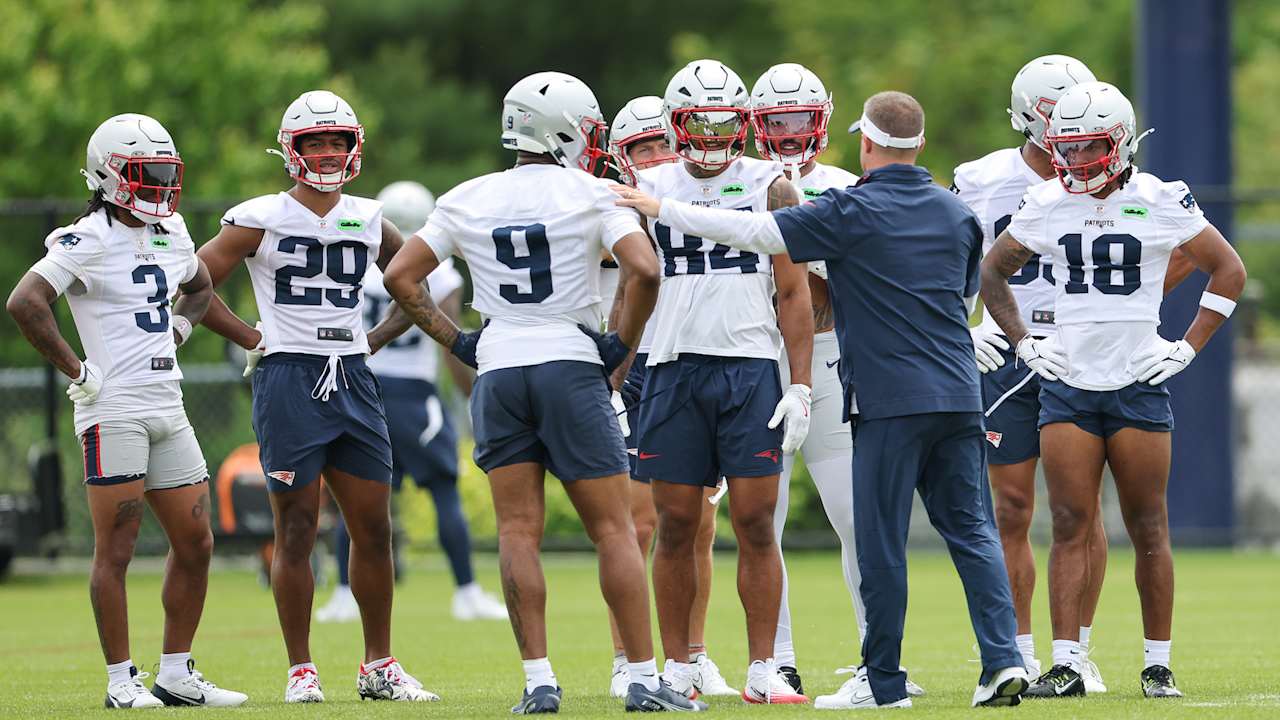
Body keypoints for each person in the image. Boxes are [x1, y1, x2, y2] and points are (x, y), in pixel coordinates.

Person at [615, 90, 1030, 709]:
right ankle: (1002, 662)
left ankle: (882, 681)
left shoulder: (850, 208)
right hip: (958, 390)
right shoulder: (955, 212)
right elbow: (969, 289)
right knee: (973, 531)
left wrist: (661, 206)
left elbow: (755, 229)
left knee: (880, 538)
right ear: (918, 144)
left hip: (888, 396)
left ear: (865, 142)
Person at [383, 71, 703, 713]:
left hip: (499, 367)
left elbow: (401, 275)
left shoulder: (466, 196)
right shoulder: (593, 192)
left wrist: (460, 341)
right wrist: (620, 341)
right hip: (569, 362)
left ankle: (538, 683)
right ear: (563, 129)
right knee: (613, 529)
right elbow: (644, 268)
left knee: (517, 531)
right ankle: (642, 679)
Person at [980, 81, 1245, 699]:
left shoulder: (1160, 198)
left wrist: (1188, 345)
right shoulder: (1046, 201)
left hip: (1136, 381)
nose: (1074, 162)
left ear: (1121, 141)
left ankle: (1157, 664)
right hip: (1068, 382)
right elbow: (994, 270)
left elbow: (1228, 267)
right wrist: (1021, 341)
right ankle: (1067, 662)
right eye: (1065, 149)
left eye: (1088, 147)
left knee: (1149, 524)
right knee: (1069, 520)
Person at [196, 90, 437, 703]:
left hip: (352, 376)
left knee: (373, 530)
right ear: (291, 149)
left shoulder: (368, 214)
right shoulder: (260, 215)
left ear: (354, 147)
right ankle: (301, 669)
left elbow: (414, 282)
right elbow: (192, 281)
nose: (327, 152)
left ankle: (377, 665)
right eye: (314, 142)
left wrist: (375, 338)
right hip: (288, 378)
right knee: (296, 527)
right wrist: (253, 336)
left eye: (337, 141)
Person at [5, 114, 247, 708]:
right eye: (147, 174)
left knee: (196, 541)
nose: (162, 186)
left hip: (170, 402)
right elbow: (26, 301)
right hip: (112, 408)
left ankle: (176, 674)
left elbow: (199, 284)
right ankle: (120, 681)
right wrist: (79, 370)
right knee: (117, 547)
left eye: (166, 173)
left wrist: (186, 326)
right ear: (109, 175)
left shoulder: (174, 231)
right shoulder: (85, 237)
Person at [631, 58, 815, 705]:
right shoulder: (646, 180)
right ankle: (679, 665)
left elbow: (793, 293)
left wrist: (800, 384)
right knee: (675, 523)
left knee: (756, 520)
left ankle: (765, 666)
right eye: (698, 125)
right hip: (673, 367)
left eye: (722, 125)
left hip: (748, 370)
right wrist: (616, 368)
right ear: (676, 126)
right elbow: (632, 281)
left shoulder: (771, 183)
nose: (710, 139)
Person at [749, 62, 925, 706]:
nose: (790, 134)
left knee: (860, 519)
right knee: (756, 520)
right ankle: (779, 662)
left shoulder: (852, 188)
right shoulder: (740, 182)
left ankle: (874, 661)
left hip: (830, 358)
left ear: (823, 121)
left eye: (800, 120)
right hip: (754, 359)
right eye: (777, 121)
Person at [952, 54, 1111, 689]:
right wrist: (968, 329)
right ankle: (1015, 650)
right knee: (1010, 506)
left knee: (1080, 509)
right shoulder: (979, 178)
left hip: (1081, 352)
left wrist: (1134, 320)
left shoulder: (1113, 174)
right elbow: (952, 263)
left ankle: (1076, 653)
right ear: (1027, 116)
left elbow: (1172, 250)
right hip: (1006, 350)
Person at [315, 180, 506, 624]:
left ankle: (344, 593)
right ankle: (466, 591)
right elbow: (450, 343)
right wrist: (476, 399)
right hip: (416, 398)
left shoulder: (357, 263)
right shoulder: (436, 271)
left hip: (362, 387)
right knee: (443, 491)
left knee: (356, 498)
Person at [601, 96, 738, 699]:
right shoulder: (609, 208)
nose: (656, 157)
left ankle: (695, 653)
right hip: (635, 369)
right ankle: (628, 656)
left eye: (663, 144)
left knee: (700, 524)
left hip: (695, 363)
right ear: (621, 158)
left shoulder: (698, 199)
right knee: (635, 524)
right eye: (641, 149)